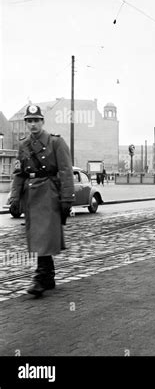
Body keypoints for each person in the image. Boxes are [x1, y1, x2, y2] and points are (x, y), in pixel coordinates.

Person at [10, 105, 75, 297]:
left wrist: (67, 198)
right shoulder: (24, 145)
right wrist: (14, 197)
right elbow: (19, 173)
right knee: (38, 235)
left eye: (36, 120)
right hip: (31, 194)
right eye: (29, 121)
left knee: (43, 235)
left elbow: (65, 171)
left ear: (42, 122)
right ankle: (48, 276)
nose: (33, 125)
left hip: (49, 192)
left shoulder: (56, 142)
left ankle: (41, 277)